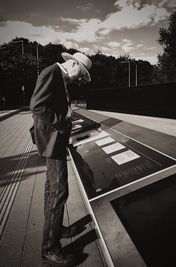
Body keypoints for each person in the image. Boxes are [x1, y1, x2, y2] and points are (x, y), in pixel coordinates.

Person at [29, 51, 92, 265]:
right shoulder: (51, 72)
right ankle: (49, 248)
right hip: (51, 140)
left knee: (52, 189)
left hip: (54, 139)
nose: (80, 79)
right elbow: (37, 107)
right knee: (58, 191)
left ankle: (57, 229)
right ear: (73, 64)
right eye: (81, 74)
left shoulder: (59, 75)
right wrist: (62, 121)